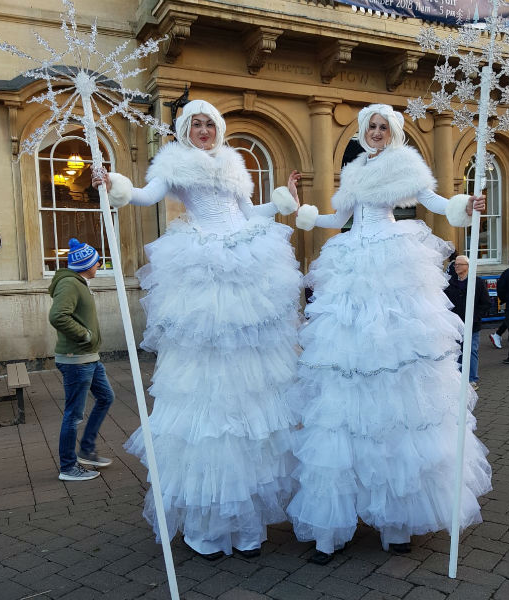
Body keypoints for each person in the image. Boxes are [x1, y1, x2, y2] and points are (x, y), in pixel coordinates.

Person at [93, 100, 301, 560]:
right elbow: (146, 196)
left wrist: (282, 201)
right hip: (203, 271)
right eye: (196, 124)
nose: (204, 130)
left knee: (250, 389)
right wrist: (115, 185)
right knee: (208, 390)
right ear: (184, 129)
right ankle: (208, 529)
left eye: (210, 124)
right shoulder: (172, 162)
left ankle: (246, 528)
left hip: (244, 266)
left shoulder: (232, 162)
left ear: (219, 129)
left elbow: (250, 213)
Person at [285, 103, 492, 564]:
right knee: (345, 380)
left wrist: (465, 205)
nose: (376, 132)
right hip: (353, 261)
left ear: (393, 132)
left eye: (383, 127)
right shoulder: (355, 168)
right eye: (371, 126)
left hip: (392, 264)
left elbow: (434, 202)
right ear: (363, 131)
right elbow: (339, 220)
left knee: (396, 381)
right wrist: (304, 214)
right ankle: (332, 524)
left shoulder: (404, 164)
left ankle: (397, 520)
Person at [48, 238, 114, 481]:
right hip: (76, 360)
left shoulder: (79, 283)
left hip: (89, 358)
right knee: (73, 415)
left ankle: (86, 449)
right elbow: (57, 316)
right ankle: (68, 467)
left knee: (106, 397)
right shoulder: (70, 284)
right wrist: (85, 334)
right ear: (86, 264)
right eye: (96, 262)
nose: (98, 265)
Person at [444, 255, 491, 390]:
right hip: (455, 324)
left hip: (472, 324)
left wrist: (475, 317)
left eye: (459, 264)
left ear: (467, 266)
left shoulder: (477, 283)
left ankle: (471, 379)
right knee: (456, 351)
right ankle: (458, 378)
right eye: (455, 264)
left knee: (470, 351)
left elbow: (486, 303)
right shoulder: (450, 283)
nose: (456, 266)